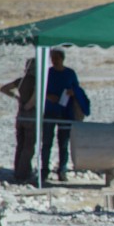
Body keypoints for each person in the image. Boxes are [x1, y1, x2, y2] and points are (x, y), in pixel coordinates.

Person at [40, 48, 89, 183]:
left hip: (66, 112)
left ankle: (62, 170)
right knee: (47, 143)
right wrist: (48, 96)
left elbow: (77, 89)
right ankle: (44, 170)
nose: (54, 61)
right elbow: (39, 89)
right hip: (50, 111)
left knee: (63, 143)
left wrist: (72, 93)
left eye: (57, 58)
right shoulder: (48, 73)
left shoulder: (70, 73)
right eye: (53, 58)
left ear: (62, 59)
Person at [0, 58, 38, 184]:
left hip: (20, 115)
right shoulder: (37, 80)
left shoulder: (20, 81)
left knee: (20, 145)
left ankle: (18, 171)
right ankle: (23, 174)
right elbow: (36, 96)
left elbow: (4, 88)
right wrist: (30, 104)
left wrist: (17, 97)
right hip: (31, 116)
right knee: (28, 146)